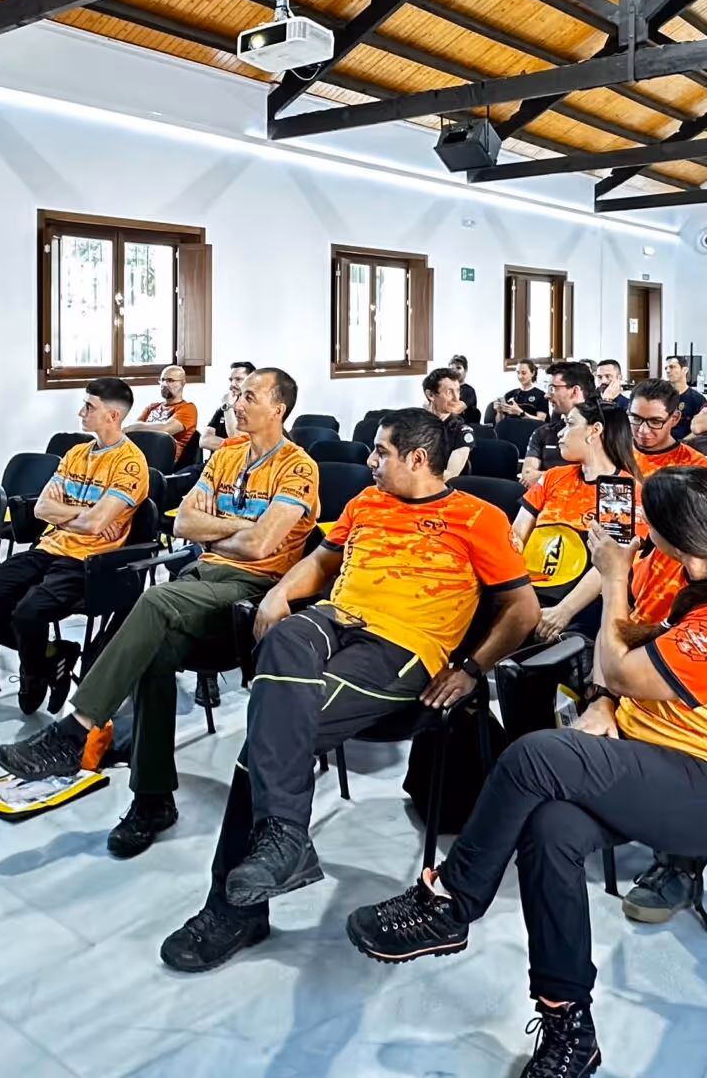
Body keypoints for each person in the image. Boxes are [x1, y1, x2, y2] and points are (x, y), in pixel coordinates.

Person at [340, 469, 707, 1076]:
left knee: (535, 754)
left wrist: (614, 579)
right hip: (653, 752)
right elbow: (623, 660)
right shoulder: (681, 561)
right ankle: (568, 1024)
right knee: (550, 831)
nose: (635, 531)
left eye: (646, 522)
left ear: (676, 537)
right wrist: (602, 700)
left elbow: (625, 664)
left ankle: (449, 902)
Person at [158, 409, 540, 973]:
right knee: (286, 632)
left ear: (416, 458)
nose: (369, 461)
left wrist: (472, 668)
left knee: (263, 745)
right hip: (338, 620)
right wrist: (278, 595)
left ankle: (236, 906)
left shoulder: (476, 518)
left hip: (402, 650)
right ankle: (283, 841)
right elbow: (321, 560)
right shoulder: (365, 504)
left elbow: (522, 608)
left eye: (381, 453)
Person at [0, 368, 315, 856]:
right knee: (155, 653)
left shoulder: (298, 467)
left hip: (253, 591)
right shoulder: (225, 456)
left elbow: (261, 545)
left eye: (249, 396)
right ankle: (152, 801)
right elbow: (184, 521)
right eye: (236, 394)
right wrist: (234, 526)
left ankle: (76, 731)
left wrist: (221, 530)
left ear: (279, 409)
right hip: (201, 580)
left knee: (154, 600)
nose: (237, 402)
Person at [0, 378, 149, 713]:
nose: (81, 412)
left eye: (89, 406)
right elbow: (41, 508)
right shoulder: (76, 453)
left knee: (28, 613)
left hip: (89, 562)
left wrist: (75, 517)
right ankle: (49, 656)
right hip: (49, 547)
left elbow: (93, 525)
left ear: (112, 415)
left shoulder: (131, 464)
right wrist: (84, 514)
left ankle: (33, 675)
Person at [514, 403, 642, 645]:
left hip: (580, 600)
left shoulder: (621, 491)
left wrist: (564, 610)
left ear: (594, 431)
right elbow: (516, 536)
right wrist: (513, 593)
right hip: (529, 588)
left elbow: (609, 565)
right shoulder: (553, 477)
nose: (560, 433)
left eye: (570, 423)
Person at [520, 360, 595, 482]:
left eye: (553, 388)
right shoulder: (543, 433)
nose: (547, 395)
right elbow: (528, 476)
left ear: (575, 391)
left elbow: (596, 476)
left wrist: (544, 477)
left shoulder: (598, 433)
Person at [628, 380, 707, 477]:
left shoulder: (694, 464)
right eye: (636, 418)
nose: (643, 430)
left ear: (674, 418)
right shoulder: (615, 453)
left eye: (655, 422)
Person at [129, 364, 201, 466]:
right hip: (139, 456)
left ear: (182, 383)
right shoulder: (152, 407)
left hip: (163, 462)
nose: (165, 384)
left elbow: (165, 429)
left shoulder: (188, 408)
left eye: (170, 380)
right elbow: (133, 432)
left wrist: (134, 427)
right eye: (162, 380)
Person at [425, 366, 478, 479]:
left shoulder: (461, 431)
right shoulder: (415, 425)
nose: (456, 398)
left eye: (458, 391)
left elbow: (449, 476)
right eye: (449, 392)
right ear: (430, 395)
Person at [199, 360, 255, 455]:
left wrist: (228, 405)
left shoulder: (255, 410)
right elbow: (204, 440)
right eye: (231, 380)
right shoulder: (222, 410)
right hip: (212, 464)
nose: (232, 384)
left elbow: (236, 436)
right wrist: (233, 445)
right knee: (184, 471)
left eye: (238, 379)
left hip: (235, 466)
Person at [660, 356, 707, 442]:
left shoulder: (697, 399)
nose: (667, 371)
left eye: (672, 367)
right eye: (666, 368)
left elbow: (701, 428)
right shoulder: (660, 397)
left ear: (685, 370)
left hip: (685, 444)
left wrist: (681, 443)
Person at [449, 354, 483, 426]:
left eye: (458, 368)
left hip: (465, 429)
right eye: (452, 369)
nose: (455, 371)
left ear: (465, 370)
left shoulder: (468, 391)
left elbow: (456, 409)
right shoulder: (446, 389)